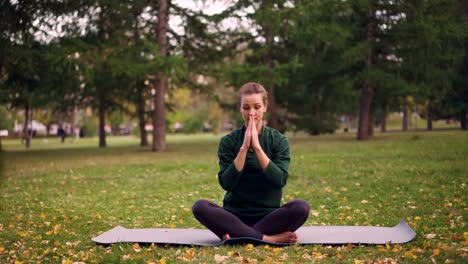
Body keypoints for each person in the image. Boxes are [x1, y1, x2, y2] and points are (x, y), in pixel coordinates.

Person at [192, 82, 310, 244]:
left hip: (269, 217)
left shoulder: (279, 141)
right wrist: (244, 147)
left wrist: (257, 147)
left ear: (265, 107)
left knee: (301, 207)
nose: (251, 113)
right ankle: (267, 239)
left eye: (257, 107)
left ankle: (239, 237)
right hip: (234, 217)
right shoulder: (228, 142)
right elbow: (227, 183)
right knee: (200, 206)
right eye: (246, 108)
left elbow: (279, 180)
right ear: (240, 109)